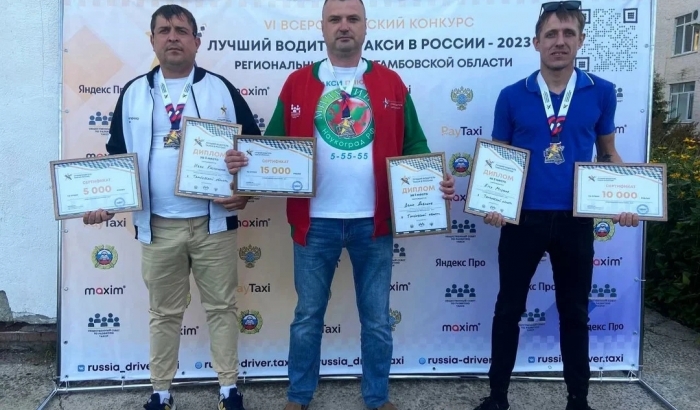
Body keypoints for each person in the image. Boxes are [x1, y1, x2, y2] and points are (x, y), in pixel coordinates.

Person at [225, 0, 454, 409]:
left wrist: (432, 180)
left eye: (352, 19)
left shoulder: (391, 82)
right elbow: (273, 146)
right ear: (323, 27)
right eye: (335, 19)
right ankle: (298, 396)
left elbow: (415, 144)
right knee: (308, 317)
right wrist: (247, 174)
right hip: (315, 223)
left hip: (374, 223)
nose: (344, 26)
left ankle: (377, 398)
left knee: (377, 321)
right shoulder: (297, 83)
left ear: (365, 27)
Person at [82, 4, 260, 410]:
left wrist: (245, 192)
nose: (173, 37)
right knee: (163, 313)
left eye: (182, 30)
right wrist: (104, 203)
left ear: (197, 41)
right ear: (152, 40)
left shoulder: (221, 89)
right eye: (164, 30)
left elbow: (253, 152)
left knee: (222, 308)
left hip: (213, 225)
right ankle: (161, 392)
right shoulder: (133, 92)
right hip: (159, 227)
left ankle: (228, 389)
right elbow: (116, 158)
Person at [475, 2, 639, 410]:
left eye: (568, 34)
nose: (559, 42)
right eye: (551, 34)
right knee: (508, 309)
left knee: (575, 313)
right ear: (536, 42)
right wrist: (492, 202)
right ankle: (497, 398)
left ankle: (578, 400)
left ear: (581, 40)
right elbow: (499, 157)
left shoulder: (601, 91)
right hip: (522, 220)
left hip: (575, 220)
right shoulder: (512, 96)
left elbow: (608, 153)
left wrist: (627, 199)